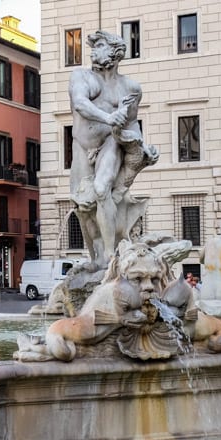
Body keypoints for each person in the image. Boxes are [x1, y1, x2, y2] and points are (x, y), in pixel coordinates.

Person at [69, 30, 158, 268]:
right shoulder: (81, 77)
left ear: (116, 52)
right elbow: (80, 103)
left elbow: (130, 123)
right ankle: (95, 257)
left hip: (111, 142)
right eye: (93, 46)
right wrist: (109, 117)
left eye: (99, 45)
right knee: (83, 206)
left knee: (101, 189)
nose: (93, 50)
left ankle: (110, 255)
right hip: (82, 146)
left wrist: (143, 147)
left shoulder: (130, 87)